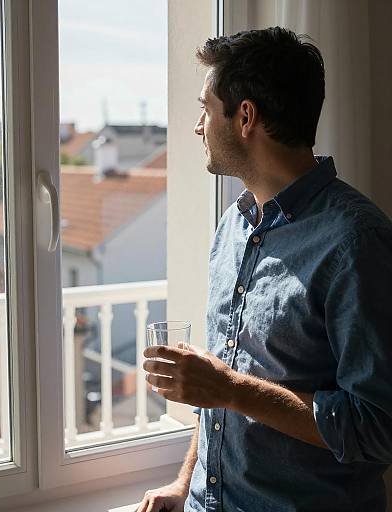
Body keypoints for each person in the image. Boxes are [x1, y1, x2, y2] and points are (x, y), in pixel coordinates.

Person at [136, 27, 392, 512]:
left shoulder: (356, 242)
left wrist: (230, 389)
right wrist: (184, 484)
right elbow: (224, 377)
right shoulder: (233, 225)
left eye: (206, 109)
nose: (198, 126)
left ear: (245, 116)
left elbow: (376, 427)